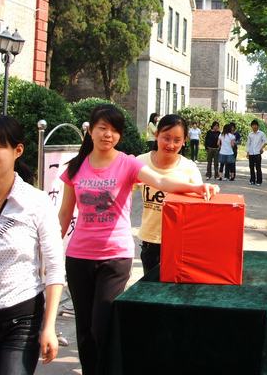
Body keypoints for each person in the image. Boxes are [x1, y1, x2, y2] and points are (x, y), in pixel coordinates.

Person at [58, 104, 218, 375]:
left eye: (114, 130)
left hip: (115, 257)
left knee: (102, 326)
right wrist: (48, 253)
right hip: (79, 257)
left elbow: (162, 182)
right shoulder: (75, 168)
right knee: (84, 330)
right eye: (102, 128)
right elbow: (64, 214)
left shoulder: (128, 163)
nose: (108, 135)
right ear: (91, 130)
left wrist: (197, 187)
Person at [0, 115, 65, 374]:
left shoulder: (36, 202)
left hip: (21, 318)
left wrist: (49, 326)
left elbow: (54, 268)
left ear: (17, 151)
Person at [137, 115, 203, 274]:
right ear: (156, 134)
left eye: (177, 140)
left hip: (180, 243)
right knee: (150, 295)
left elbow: (200, 207)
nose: (171, 145)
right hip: (150, 243)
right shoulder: (140, 163)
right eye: (166, 138)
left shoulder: (189, 168)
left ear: (185, 140)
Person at [246, 119, 267, 185]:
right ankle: (252, 180)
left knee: (258, 167)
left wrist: (261, 148)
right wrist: (247, 152)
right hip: (251, 153)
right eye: (253, 125)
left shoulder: (261, 134)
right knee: (251, 167)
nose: (254, 126)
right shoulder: (250, 134)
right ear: (251, 126)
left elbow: (266, 141)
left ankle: (259, 181)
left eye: (255, 125)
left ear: (258, 126)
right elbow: (248, 144)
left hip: (257, 153)